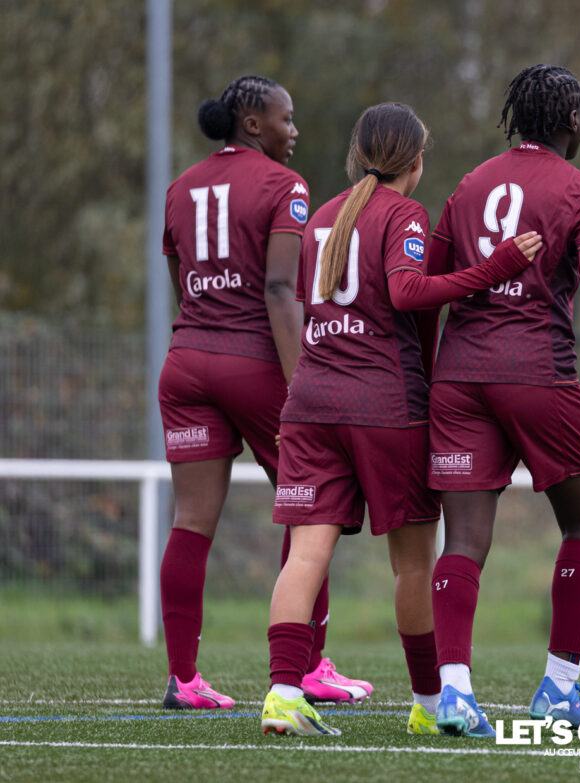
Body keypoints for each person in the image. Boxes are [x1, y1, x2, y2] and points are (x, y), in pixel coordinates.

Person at [258, 102, 540, 737]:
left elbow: (309, 311)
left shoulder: (321, 216)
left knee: (306, 555)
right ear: (415, 161)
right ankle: (428, 703)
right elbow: (408, 292)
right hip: (384, 407)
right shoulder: (406, 214)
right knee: (413, 564)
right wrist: (495, 269)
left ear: (359, 156)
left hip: (310, 402)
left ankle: (281, 693)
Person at [425, 64, 580, 738]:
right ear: (564, 120)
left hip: (459, 378)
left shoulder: (468, 184)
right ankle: (557, 686)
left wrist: (426, 380)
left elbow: (432, 285)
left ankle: (457, 693)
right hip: (538, 373)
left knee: (463, 536)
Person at [158, 75, 368, 709]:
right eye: (286, 118)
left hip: (186, 360)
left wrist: (205, 332)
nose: (294, 130)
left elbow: (182, 277)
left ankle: (183, 680)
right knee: (314, 506)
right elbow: (281, 290)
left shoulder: (180, 187)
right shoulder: (285, 186)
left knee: (190, 521)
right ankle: (306, 667)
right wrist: (308, 379)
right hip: (255, 364)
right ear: (253, 123)